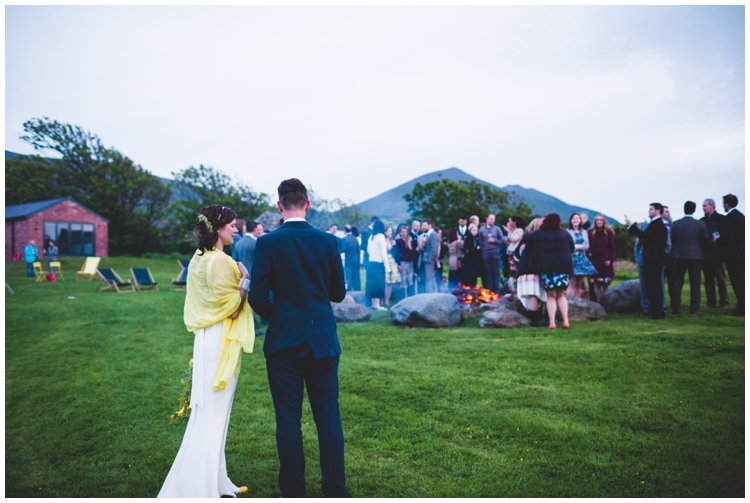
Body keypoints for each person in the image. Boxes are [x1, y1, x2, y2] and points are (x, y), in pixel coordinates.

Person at [248, 178, 350, 498]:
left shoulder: (267, 243)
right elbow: (337, 293)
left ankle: (293, 491)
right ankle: (335, 490)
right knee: (328, 418)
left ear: (280, 206)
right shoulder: (328, 242)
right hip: (322, 338)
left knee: (288, 420)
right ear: (307, 204)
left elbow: (258, 297)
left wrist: (279, 315)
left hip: (284, 341)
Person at [159, 204, 254, 498]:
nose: (236, 229)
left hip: (204, 338)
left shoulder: (198, 258)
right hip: (220, 338)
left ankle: (215, 480)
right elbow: (235, 309)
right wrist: (246, 279)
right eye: (231, 225)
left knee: (208, 411)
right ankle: (202, 487)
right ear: (218, 228)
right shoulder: (223, 261)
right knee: (216, 412)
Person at [518, 214, 574, 329]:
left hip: (548, 269)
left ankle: (552, 322)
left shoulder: (539, 234)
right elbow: (572, 248)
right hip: (564, 269)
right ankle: (566, 321)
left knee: (551, 296)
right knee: (561, 295)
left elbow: (525, 238)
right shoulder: (564, 233)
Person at [626, 203, 668, 319]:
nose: (649, 211)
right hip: (653, 259)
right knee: (653, 286)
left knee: (655, 286)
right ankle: (656, 311)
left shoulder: (656, 224)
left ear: (658, 211)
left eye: (651, 209)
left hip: (654, 259)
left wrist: (631, 226)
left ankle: (657, 313)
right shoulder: (656, 224)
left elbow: (643, 235)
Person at [670, 201, 709, 314]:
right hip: (695, 256)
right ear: (694, 210)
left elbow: (673, 239)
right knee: (695, 283)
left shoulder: (676, 224)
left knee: (677, 281)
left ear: (684, 209)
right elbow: (705, 240)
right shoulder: (700, 224)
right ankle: (695, 308)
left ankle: (676, 306)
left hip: (679, 255)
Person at [234, 221, 265, 336]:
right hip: (253, 277)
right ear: (254, 230)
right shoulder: (256, 242)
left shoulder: (238, 243)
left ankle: (246, 326)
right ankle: (254, 329)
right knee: (252, 303)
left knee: (244, 302)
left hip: (241, 277)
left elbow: (235, 260)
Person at [514, 218, 547, 326]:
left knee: (533, 295)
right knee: (534, 294)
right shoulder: (538, 239)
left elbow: (517, 254)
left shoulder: (526, 238)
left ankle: (533, 318)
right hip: (533, 270)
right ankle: (534, 321)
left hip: (524, 270)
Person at [717, 193, 744, 316]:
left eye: (723, 203)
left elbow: (727, 237)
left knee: (737, 282)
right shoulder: (741, 216)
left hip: (733, 255)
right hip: (742, 253)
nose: (723, 205)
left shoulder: (730, 218)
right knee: (742, 280)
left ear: (727, 204)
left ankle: (742, 308)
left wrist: (718, 239)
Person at [700, 199, 730, 309]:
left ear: (712, 206)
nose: (703, 208)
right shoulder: (702, 221)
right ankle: (711, 302)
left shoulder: (721, 219)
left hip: (718, 253)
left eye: (705, 206)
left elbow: (726, 235)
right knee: (708, 280)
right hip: (706, 253)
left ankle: (724, 302)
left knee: (721, 279)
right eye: (703, 206)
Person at [586, 214, 616, 303]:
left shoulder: (609, 232)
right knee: (596, 284)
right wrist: (589, 255)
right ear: (595, 222)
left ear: (604, 221)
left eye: (601, 220)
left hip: (605, 260)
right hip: (594, 261)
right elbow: (587, 246)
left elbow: (612, 248)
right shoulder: (589, 232)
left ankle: (606, 304)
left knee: (606, 284)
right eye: (597, 220)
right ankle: (599, 305)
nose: (599, 222)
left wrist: (610, 260)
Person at [566, 213, 597, 297]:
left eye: (577, 218)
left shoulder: (584, 232)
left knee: (579, 284)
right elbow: (568, 245)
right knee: (572, 283)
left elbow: (587, 245)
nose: (575, 220)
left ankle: (577, 303)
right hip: (572, 258)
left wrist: (582, 247)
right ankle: (569, 303)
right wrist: (577, 247)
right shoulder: (567, 232)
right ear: (571, 221)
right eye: (573, 218)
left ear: (580, 221)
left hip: (581, 259)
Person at [366, 219, 390, 311]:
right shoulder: (381, 236)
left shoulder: (371, 236)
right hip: (378, 264)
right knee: (378, 284)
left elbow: (368, 250)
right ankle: (377, 305)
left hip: (371, 264)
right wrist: (387, 267)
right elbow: (383, 253)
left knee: (372, 283)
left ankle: (373, 304)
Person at [477, 214, 504, 293]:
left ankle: (497, 291)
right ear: (487, 219)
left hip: (495, 252)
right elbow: (480, 242)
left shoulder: (497, 229)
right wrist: (483, 250)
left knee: (496, 272)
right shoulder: (481, 230)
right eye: (491, 219)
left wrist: (494, 241)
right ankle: (489, 291)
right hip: (485, 253)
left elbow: (502, 240)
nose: (493, 221)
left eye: (494, 219)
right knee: (488, 273)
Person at [503, 216, 525, 292]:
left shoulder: (519, 230)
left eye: (510, 221)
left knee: (515, 271)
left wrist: (509, 231)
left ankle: (517, 289)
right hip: (510, 253)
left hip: (514, 254)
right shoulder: (514, 230)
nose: (509, 222)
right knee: (511, 271)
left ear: (514, 222)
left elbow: (513, 239)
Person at [395, 224, 418, 297]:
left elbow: (414, 252)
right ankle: (401, 297)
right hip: (402, 263)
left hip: (410, 263)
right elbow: (396, 254)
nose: (404, 233)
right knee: (403, 280)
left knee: (410, 280)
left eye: (405, 232)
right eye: (403, 232)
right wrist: (398, 264)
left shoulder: (411, 242)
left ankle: (410, 296)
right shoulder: (398, 242)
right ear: (400, 233)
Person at [421, 219, 441, 293]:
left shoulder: (434, 235)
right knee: (430, 279)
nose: (422, 227)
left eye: (424, 225)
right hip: (427, 260)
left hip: (430, 261)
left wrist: (429, 260)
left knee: (429, 279)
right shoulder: (427, 235)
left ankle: (429, 296)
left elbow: (434, 249)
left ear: (430, 225)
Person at [384, 226, 401, 306]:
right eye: (389, 231)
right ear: (385, 232)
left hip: (392, 261)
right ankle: (382, 299)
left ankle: (387, 300)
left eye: (391, 231)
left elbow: (395, 252)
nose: (390, 232)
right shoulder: (383, 240)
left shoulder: (391, 240)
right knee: (385, 282)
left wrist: (394, 246)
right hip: (386, 260)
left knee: (390, 283)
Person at [343, 226, 361, 291]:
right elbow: (358, 250)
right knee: (356, 277)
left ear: (344, 231)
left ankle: (349, 291)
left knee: (349, 277)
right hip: (356, 261)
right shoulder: (355, 238)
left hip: (349, 261)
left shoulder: (345, 239)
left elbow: (343, 249)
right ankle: (357, 290)